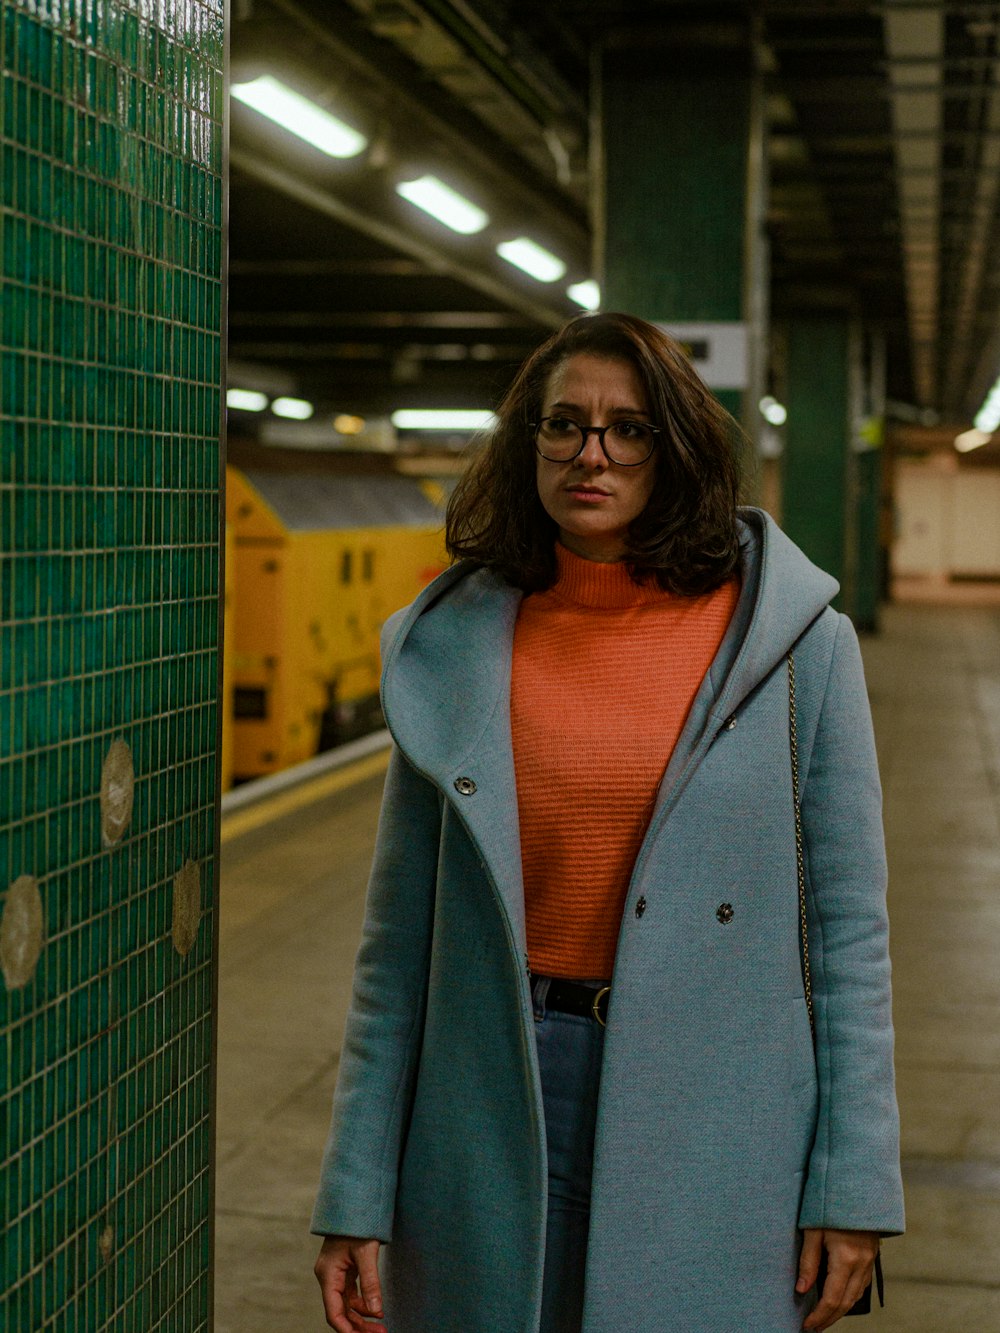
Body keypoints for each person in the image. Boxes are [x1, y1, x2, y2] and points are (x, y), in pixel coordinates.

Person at [311, 312, 904, 1333]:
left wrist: (852, 1183)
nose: (591, 453)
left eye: (628, 429)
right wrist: (354, 1191)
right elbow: (396, 951)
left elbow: (847, 935)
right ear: (526, 442)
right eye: (563, 425)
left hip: (717, 1107)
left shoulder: (796, 644)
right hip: (491, 1087)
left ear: (674, 447)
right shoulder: (450, 648)